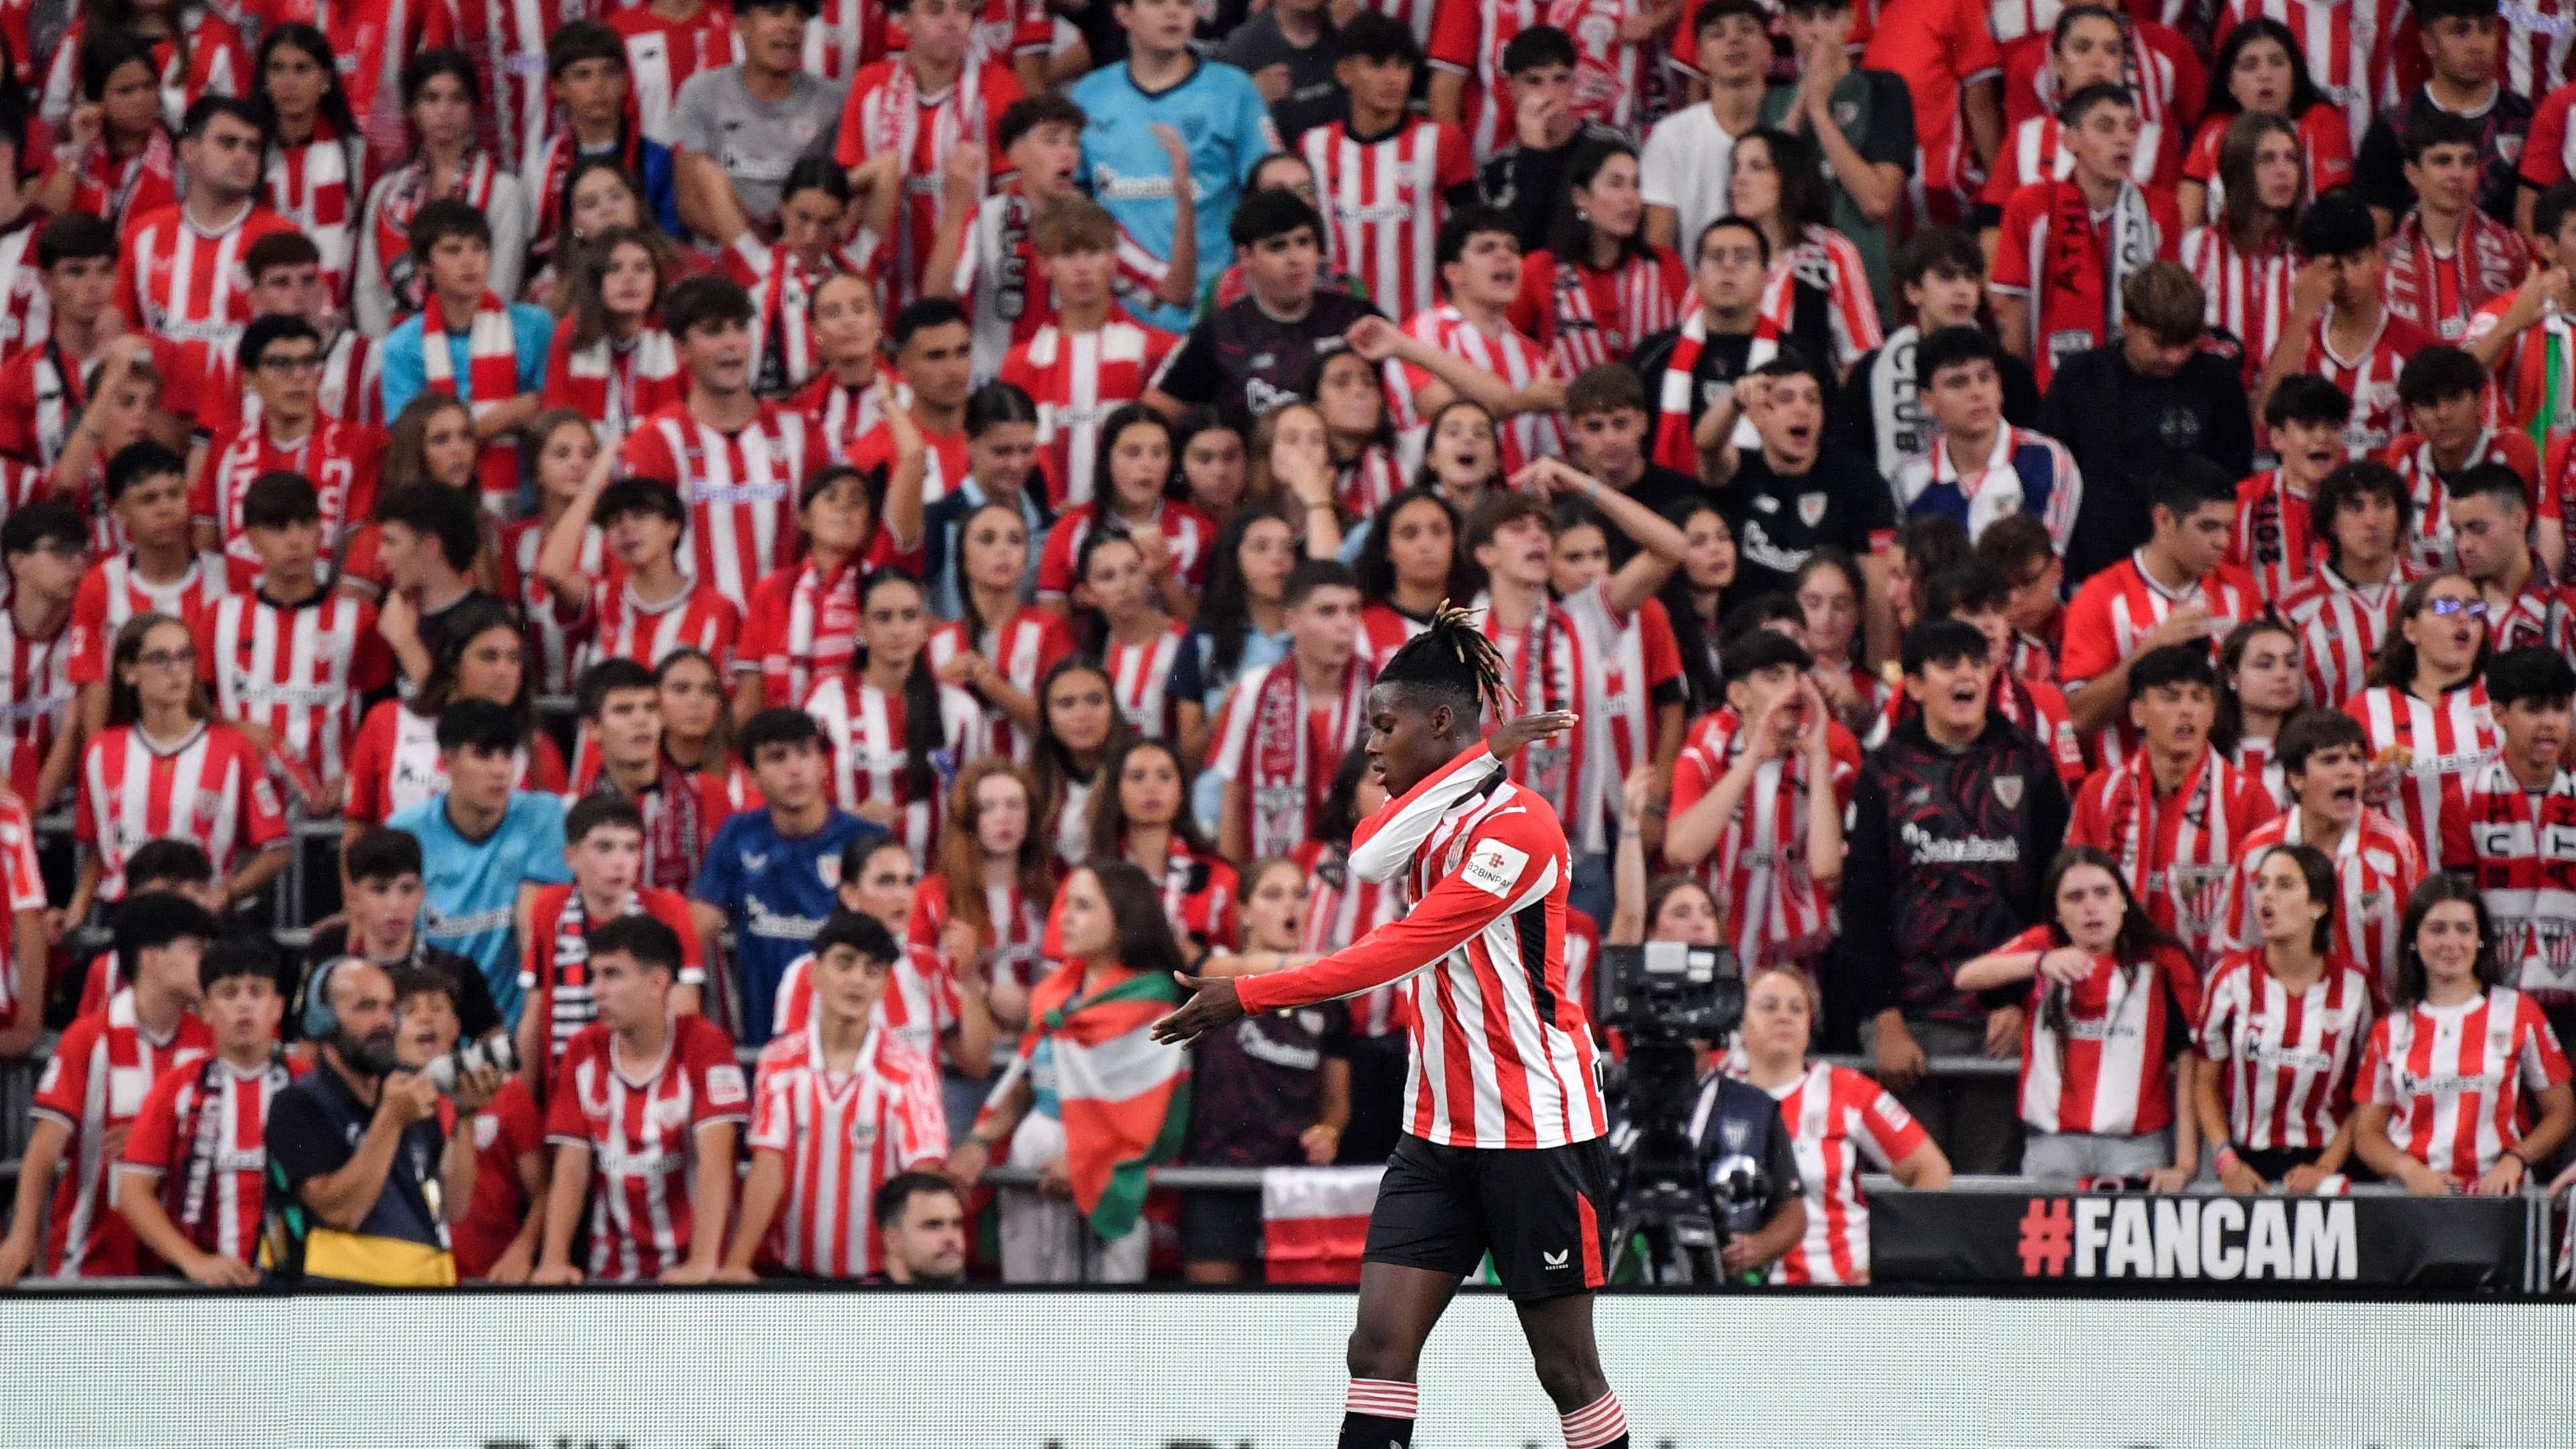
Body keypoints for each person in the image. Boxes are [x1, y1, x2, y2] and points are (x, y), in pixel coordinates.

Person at [1151, 608, 1627, 1448]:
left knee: (1566, 1371)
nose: (1371, 744)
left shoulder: (1519, 828)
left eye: (1385, 724)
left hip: (1535, 1131)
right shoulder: (1429, 820)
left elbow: (1397, 949)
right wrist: (1483, 752)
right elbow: (1367, 857)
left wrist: (1250, 992)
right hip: (1437, 1130)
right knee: (1376, 1346)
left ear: (1438, 721)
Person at [1835, 619, 2070, 1173]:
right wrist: (1885, 1019)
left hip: (2003, 1023)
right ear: (1914, 685)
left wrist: (2020, 1000)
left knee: (1987, 1188)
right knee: (1913, 1187)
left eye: (1977, 663)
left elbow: (2055, 894)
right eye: (1948, 664)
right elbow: (1864, 904)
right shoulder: (1886, 772)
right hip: (1911, 1022)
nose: (1967, 675)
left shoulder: (2028, 763)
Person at [949, 860, 1189, 1284]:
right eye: (1065, 905)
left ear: (1122, 916)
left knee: (1107, 1326)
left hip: (1111, 1180)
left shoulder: (1157, 1003)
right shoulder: (1052, 994)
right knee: (1027, 1317)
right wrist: (979, 1141)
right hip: (1033, 1171)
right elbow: (1026, 1085)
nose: (1065, 917)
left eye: (1082, 906)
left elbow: (1155, 1115)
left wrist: (1082, 1160)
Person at [717, 908, 949, 1282]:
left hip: (881, 1278)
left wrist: (907, 1272)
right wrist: (738, 1263)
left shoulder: (909, 1069)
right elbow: (767, 1167)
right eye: (845, 964)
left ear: (885, 985)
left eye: (872, 971)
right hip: (793, 1276)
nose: (857, 980)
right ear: (814, 974)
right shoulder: (779, 1062)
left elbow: (922, 1174)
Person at [0, 892, 218, 1284]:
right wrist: (20, 1241)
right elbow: (43, 1153)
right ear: (150, 957)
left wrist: (148, 1138)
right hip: (91, 1251)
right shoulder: (89, 1039)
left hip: (190, 1256)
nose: (210, 961)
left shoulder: (211, 1041)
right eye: (196, 949)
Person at [1956, 845, 2204, 1187]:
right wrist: (2038, 963)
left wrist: (2186, 1165)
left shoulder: (2164, 960)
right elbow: (1966, 976)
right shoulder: (2043, 945)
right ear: (2057, 911)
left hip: (2136, 1149)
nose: (2091, 907)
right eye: (2075, 897)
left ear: (2123, 900)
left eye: (2102, 893)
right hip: (2052, 1146)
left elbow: (2190, 1061)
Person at [257, 952, 501, 1286]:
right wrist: (391, 1119)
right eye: (366, 1008)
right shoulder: (297, 1105)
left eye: (390, 1007)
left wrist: (466, 1116)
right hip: (325, 1312)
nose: (385, 1021)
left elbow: (453, 1207)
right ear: (323, 1021)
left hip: (419, 1305)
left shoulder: (406, 1093)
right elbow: (342, 1212)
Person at [530, 915, 744, 1284]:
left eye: (612, 975)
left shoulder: (706, 1045)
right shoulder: (583, 1050)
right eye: (594, 975)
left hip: (692, 1273)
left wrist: (702, 1262)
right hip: (609, 1272)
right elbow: (571, 1168)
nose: (596, 990)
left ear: (657, 983)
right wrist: (554, 1258)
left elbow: (716, 1161)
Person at [1172, 855, 1350, 1283]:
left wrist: (1329, 1132)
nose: (1291, 906)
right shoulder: (1216, 979)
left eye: (1299, 895)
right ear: (1244, 913)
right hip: (1217, 1177)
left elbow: (1337, 1105)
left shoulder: (1329, 1000)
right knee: (1213, 1325)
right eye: (1273, 895)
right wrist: (1334, 968)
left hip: (1294, 1186)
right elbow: (1214, 969)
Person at [930, 93, 1193, 381]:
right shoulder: (985, 219)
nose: (1068, 152)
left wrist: (1183, 201)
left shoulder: (1096, 225)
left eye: (1074, 142)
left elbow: (1175, 293)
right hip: (998, 392)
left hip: (1080, 385)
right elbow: (935, 305)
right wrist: (955, 210)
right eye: (1052, 140)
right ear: (1015, 154)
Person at [1733, 960, 1951, 1286]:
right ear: (1740, 1026)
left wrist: (1897, 1262)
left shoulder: (1848, 1089)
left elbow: (1930, 1169)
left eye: (1797, 1009)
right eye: (1769, 1006)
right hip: (1736, 1299)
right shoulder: (1716, 1094)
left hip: (1836, 1293)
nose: (1784, 1016)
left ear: (1810, 1026)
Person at [2353, 876, 2575, 1192]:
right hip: (2411, 1203)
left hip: (2499, 1202)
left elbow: (2562, 1111)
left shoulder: (2519, 1013)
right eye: (2437, 929)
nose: (2451, 942)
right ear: (2413, 939)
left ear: (2481, 938)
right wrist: (2410, 1172)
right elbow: (2366, 1134)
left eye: (2464, 929)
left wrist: (2517, 1159)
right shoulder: (2389, 1029)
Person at [70, 611, 289, 922]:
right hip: (123, 915)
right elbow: (99, 849)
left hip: (200, 918)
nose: (176, 670)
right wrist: (77, 907)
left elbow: (277, 847)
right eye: (160, 658)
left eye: (185, 656)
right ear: (129, 671)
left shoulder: (231, 748)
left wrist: (226, 893)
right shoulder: (101, 750)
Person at [2068, 645, 2281, 964]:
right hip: (2122, 980)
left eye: (2198, 698)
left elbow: (2273, 906)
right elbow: (2071, 889)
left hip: (2213, 984)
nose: (2187, 710)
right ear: (2138, 712)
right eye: (2171, 697)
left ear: (2212, 712)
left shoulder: (2248, 797)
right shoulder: (2099, 793)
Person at [2044, 263, 2256, 583]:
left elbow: (2234, 478)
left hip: (2186, 564)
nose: (2173, 357)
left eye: (2185, 344)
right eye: (2160, 343)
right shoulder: (2080, 378)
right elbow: (2054, 475)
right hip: (2096, 560)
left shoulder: (2217, 382)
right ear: (2128, 323)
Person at [192, 470, 390, 811]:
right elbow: (193, 706)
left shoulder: (360, 618)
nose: (295, 540)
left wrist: (354, 776)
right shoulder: (219, 617)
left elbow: (383, 713)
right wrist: (232, 727)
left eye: (305, 525)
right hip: (240, 806)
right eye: (279, 528)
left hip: (330, 807)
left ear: (320, 531)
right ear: (251, 539)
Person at [1069, 0, 1279, 316]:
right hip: (1118, 318)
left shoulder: (1234, 90)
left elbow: (1270, 188)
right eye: (1157, 2)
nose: (1174, 12)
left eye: (1184, 2)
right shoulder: (1089, 96)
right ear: (1124, 14)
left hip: (1214, 312)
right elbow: (1071, 202)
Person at [1662, 628, 1855, 975]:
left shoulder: (1828, 767)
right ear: (1739, 694)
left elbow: (1826, 869)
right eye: (1775, 677)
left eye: (1800, 676)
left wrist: (1819, 755)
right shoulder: (1703, 760)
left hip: (1792, 965)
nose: (1794, 689)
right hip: (1711, 955)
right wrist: (1753, 758)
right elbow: (1681, 850)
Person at [692, 707, 883, 1046]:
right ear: (752, 776)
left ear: (824, 765)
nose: (794, 769)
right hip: (766, 1037)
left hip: (852, 1039)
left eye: (805, 753)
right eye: (776, 757)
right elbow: (698, 925)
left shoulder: (867, 842)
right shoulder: (739, 836)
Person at [2198, 841, 2378, 1191]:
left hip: (2327, 1161)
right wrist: (2226, 1160)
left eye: (2284, 885)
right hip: (2246, 1163)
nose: (2267, 895)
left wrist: (2324, 1169)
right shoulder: (2230, 978)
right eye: (2261, 884)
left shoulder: (2355, 987)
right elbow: (2205, 1083)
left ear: (2318, 906)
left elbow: (2367, 1097)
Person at [386, 698, 576, 1026]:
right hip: (431, 1023)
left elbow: (535, 930)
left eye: (508, 755)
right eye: (484, 755)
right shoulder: (406, 832)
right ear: (448, 760)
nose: (500, 770)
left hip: (517, 1024)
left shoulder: (544, 816)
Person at [112, 933, 287, 1286]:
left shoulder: (306, 1086)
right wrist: (193, 1262)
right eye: (228, 992)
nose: (243, 1005)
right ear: (204, 1009)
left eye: (257, 992)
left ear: (277, 1007)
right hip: (199, 1289)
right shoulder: (176, 1089)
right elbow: (132, 1193)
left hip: (296, 1287)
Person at [2059, 462, 2257, 767]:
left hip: (2222, 785)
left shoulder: (2240, 589)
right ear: (2164, 520)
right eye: (2208, 527)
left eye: (2228, 528)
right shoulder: (2099, 597)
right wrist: (2152, 651)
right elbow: (2078, 716)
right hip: (2129, 791)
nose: (2222, 542)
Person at [1989, 84, 2183, 392]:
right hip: (2052, 386)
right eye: (2106, 127)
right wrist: (2020, 391)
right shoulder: (2030, 204)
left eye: (2130, 128)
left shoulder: (2161, 210)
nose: (2123, 139)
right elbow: (2014, 307)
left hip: (2138, 388)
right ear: (2071, 141)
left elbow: (2168, 308)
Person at [1143, 191, 1379, 433]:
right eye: (1277, 247)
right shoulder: (1218, 334)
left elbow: (1411, 387)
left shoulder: (1356, 317)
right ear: (1245, 256)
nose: (1295, 258)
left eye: (1304, 242)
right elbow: (1151, 418)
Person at [998, 201, 1182, 512]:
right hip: (1046, 526)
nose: (1082, 267)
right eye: (1067, 254)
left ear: (1113, 259)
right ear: (1043, 264)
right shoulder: (1020, 362)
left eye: (1094, 252)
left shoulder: (1157, 350)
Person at [1299, 13, 1478, 332]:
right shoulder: (1313, 147)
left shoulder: (1443, 142)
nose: (1393, 78)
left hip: (1425, 332)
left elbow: (1474, 233)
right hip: (1342, 328)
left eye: (1402, 65)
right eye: (1377, 65)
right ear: (1344, 73)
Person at [376, 199, 553, 513]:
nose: (469, 261)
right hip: (440, 508)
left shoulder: (535, 327)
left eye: (479, 248)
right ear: (424, 266)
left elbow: (552, 410)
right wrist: (500, 419)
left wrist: (455, 433)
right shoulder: (401, 348)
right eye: (453, 251)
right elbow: (411, 442)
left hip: (531, 505)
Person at [518, 793, 709, 1076]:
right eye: (605, 848)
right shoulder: (549, 906)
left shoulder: (667, 910)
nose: (620, 862)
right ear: (571, 857)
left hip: (648, 1084)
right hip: (565, 1083)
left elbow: (683, 1019)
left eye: (631, 848)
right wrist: (526, 1103)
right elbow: (534, 1017)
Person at [2440, 647, 2576, 1038]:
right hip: (2494, 990)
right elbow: (2459, 903)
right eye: (2534, 709)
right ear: (2499, 714)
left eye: (2560, 709)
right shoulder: (2462, 799)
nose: (2550, 723)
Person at [116, 97, 294, 388]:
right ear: (189, 150)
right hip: (158, 417)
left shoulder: (283, 239)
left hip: (246, 418)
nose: (242, 155)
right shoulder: (141, 235)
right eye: (228, 143)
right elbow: (121, 329)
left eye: (252, 147)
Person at [194, 317, 385, 590]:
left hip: (325, 615)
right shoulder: (225, 445)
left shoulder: (359, 444)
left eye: (308, 363)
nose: (298, 377)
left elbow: (360, 556)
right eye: (281, 364)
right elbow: (207, 551)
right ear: (248, 378)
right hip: (239, 614)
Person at [354, 50, 530, 338]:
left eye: (457, 99)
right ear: (412, 109)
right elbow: (367, 286)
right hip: (397, 350)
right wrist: (386, 351)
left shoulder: (503, 192)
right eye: (431, 98)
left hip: (475, 347)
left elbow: (501, 287)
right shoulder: (385, 192)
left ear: (474, 107)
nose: (444, 110)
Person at [1756, 0, 1913, 317]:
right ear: (1787, 23)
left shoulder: (1884, 88)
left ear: (1850, 19)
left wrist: (1820, 113)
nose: (1817, 30)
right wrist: (1802, 105)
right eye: (1806, 16)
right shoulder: (1772, 104)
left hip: (1867, 287)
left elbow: (1877, 200)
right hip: (1790, 292)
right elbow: (1763, 196)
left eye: (1829, 16)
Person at [2258, 189, 2435, 456]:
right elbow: (2267, 418)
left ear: (2377, 258)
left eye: (2356, 261)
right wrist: (2303, 314)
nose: (2348, 276)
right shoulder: (2300, 345)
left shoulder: (2415, 348)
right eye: (2335, 267)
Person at [2345, 571, 2502, 869]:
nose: (2463, 618)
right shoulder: (2364, 709)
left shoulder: (2504, 698)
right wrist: (2355, 792)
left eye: (2475, 609)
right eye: (2445, 607)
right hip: (2403, 881)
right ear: (2410, 629)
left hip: (2496, 884)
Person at [1707, 355, 1892, 601]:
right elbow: (1707, 446)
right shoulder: (1738, 470)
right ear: (1755, 415)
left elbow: (1877, 589)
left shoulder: (1858, 479)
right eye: (1785, 399)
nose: (1802, 409)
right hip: (1750, 632)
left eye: (1812, 399)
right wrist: (1734, 402)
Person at [1886, 325, 2081, 555]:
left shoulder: (2048, 459)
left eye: (1985, 378)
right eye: (1958, 383)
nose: (1977, 392)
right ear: (1927, 401)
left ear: (2000, 387)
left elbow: (2038, 570)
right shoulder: (1908, 479)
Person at [309, 827, 505, 1044]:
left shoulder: (456, 972)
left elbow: (497, 1051)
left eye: (407, 889)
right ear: (353, 898)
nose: (395, 905)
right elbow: (308, 1052)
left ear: (421, 893)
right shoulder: (329, 963)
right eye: (380, 890)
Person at [2353, 0, 2531, 229]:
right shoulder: (2394, 128)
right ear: (2428, 43)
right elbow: (2373, 234)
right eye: (2461, 30)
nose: (2477, 45)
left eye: (2486, 29)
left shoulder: (2526, 121)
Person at [1629, 216, 1786, 474]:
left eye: (1743, 257)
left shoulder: (1795, 358)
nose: (1728, 267)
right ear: (1697, 275)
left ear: (1766, 276)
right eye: (1716, 257)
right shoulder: (1653, 356)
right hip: (1672, 502)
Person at [1732, 127, 1884, 378]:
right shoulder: (1722, 249)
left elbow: (1861, 359)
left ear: (1789, 178)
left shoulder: (1831, 252)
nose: (1739, 179)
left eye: (1757, 167)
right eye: (1736, 168)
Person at [2177, 17, 2353, 231]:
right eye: (2250, 66)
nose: (2265, 75)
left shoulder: (2322, 122)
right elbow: (2186, 222)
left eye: (2277, 63)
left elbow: (2336, 220)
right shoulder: (2215, 128)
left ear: (2294, 74)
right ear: (2231, 84)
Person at [2179, 113, 2305, 394]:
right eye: (2267, 160)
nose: (2283, 170)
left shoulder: (2309, 254)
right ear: (2238, 169)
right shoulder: (2195, 248)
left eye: (2292, 159)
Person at [1475, 25, 1629, 251]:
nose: (1549, 94)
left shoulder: (1610, 146)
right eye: (1534, 82)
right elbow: (1513, 247)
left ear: (1574, 85)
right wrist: (1534, 155)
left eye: (1560, 79)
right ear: (1511, 90)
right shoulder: (1496, 170)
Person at [2381, 113, 2531, 346]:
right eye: (2443, 161)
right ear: (2412, 173)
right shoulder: (2382, 264)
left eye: (2468, 161)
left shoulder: (2515, 252)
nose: (2457, 174)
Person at [2281, 459, 2419, 708]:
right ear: (2331, 522)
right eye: (2355, 508)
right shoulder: (2295, 608)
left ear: (2401, 518)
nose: (2371, 520)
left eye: (2383, 504)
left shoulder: (2434, 590)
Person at [1640, 0, 1769, 255]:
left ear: (1768, 50)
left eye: (1746, 30)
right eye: (1717, 34)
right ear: (1700, 58)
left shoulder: (1793, 123)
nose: (1733, 40)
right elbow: (1660, 247)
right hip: (1698, 291)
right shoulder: (1671, 137)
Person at [540, 229, 686, 450]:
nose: (629, 279)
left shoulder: (674, 334)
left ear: (656, 281)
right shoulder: (571, 334)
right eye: (615, 269)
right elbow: (557, 426)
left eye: (641, 268)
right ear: (596, 281)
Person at [2227, 374, 2356, 609]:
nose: (2323, 437)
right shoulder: (2244, 499)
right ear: (2277, 438)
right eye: (2308, 427)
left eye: (2333, 427)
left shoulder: (2363, 500)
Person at [32, 34, 179, 235]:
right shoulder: (72, 151)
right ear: (97, 98)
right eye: (126, 91)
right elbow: (51, 213)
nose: (141, 99)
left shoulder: (178, 155)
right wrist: (79, 148)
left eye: (149, 86)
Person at [0, 504, 86, 813]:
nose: (78, 564)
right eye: (62, 552)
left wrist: (28, 810)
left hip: (70, 809)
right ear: (17, 562)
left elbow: (77, 734)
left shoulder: (90, 639)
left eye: (82, 553)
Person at [2450, 462, 2576, 656]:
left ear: (2518, 519)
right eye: (2457, 531)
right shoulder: (2441, 611)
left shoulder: (2569, 612)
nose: (2464, 546)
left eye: (2478, 528)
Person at [869, 1170, 970, 1284]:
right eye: (933, 1225)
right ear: (892, 1240)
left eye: (957, 1224)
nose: (951, 1238)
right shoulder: (858, 1301)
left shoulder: (982, 1300)